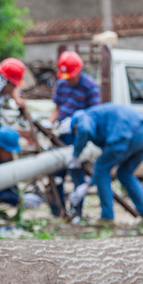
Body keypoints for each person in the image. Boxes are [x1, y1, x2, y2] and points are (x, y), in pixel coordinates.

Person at [65, 103, 143, 229]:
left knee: (100, 166)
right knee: (124, 173)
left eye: (75, 132)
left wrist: (76, 153)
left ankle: (107, 217)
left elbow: (85, 129)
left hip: (130, 131)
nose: (77, 135)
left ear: (75, 125)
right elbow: (103, 171)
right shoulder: (100, 118)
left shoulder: (84, 116)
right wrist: (87, 185)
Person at [48, 51, 101, 217]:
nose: (68, 79)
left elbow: (93, 116)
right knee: (55, 171)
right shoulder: (62, 83)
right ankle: (58, 210)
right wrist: (49, 123)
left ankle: (77, 211)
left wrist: (74, 125)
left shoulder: (90, 86)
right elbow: (57, 108)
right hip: (60, 132)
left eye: (71, 76)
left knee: (77, 171)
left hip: (78, 135)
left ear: (79, 71)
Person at [0, 126, 43, 209]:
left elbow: (11, 185)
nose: (10, 155)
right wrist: (15, 199)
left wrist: (18, 196)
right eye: (8, 152)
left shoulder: (7, 162)